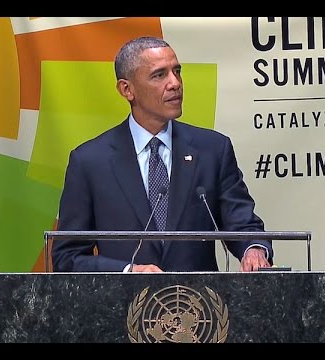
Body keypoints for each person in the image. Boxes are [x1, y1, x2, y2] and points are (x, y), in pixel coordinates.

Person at [52, 36, 273, 273]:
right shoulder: (89, 162)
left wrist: (254, 249)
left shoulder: (212, 150)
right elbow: (68, 258)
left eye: (177, 72)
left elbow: (242, 225)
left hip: (200, 305)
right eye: (159, 75)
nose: (175, 83)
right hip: (123, 306)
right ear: (127, 89)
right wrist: (128, 271)